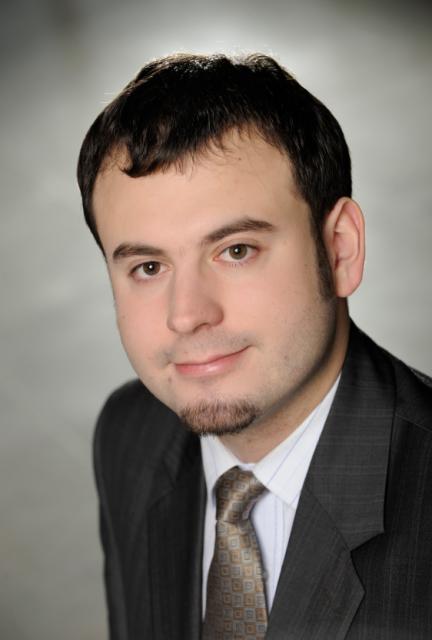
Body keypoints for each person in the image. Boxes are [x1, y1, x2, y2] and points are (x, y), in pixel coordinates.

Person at [77, 53, 432, 640]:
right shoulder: (129, 434)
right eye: (148, 266)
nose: (187, 315)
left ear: (340, 250)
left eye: (236, 250)